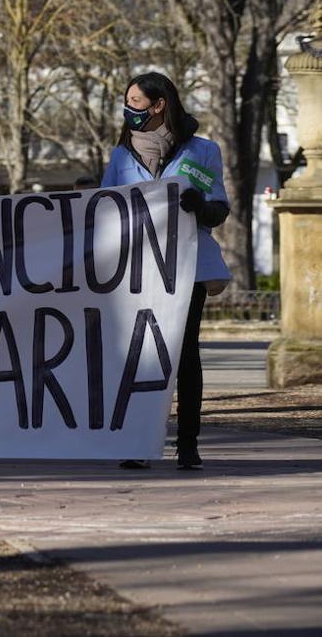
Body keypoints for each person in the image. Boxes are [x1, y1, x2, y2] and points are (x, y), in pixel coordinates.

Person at [100, 71, 231, 471]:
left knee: (185, 351)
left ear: (159, 105)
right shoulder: (122, 156)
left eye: (136, 103)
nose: (129, 110)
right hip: (137, 270)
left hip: (187, 266)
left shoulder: (203, 151)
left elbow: (220, 208)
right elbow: (104, 206)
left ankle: (187, 443)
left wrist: (199, 206)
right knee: (140, 353)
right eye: (128, 102)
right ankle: (138, 441)